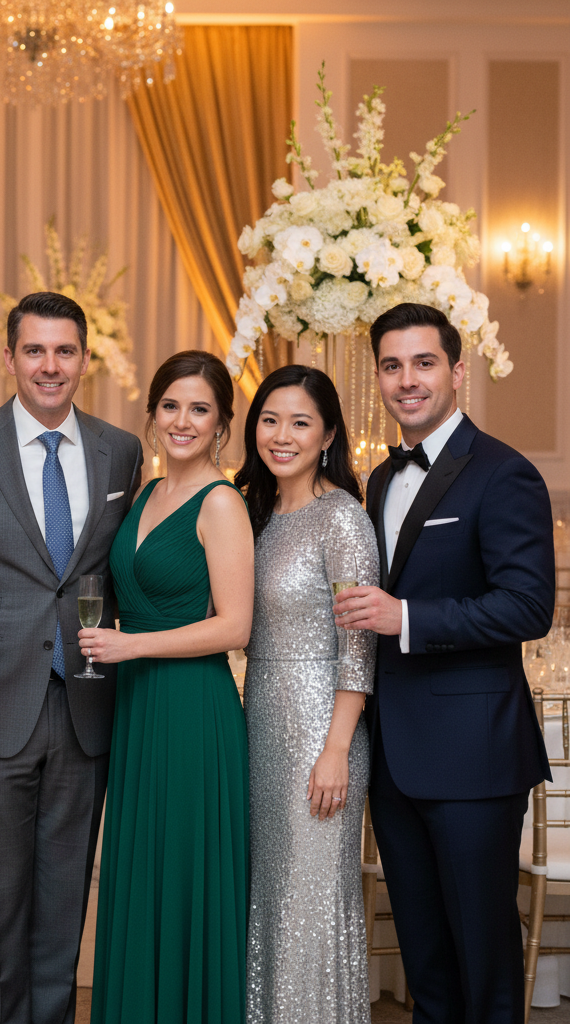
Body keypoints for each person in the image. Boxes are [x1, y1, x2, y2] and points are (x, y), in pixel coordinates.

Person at [0, 291, 143, 1024]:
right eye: (34, 350)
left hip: (86, 703)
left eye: (65, 351)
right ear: (9, 357)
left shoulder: (121, 449)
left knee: (63, 903)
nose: (50, 366)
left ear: (86, 359)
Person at [333, 302, 554, 1023]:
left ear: (458, 371)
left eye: (424, 363)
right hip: (395, 756)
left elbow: (527, 608)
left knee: (482, 961)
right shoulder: (377, 480)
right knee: (427, 962)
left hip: (473, 758)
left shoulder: (504, 473)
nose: (408, 381)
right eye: (392, 366)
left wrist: (407, 618)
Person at [81, 349, 253, 1024]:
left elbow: (235, 625)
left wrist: (131, 644)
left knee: (183, 879)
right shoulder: (148, 492)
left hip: (192, 712)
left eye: (200, 409)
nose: (183, 421)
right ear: (151, 416)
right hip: (140, 709)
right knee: (141, 878)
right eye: (171, 406)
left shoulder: (222, 503)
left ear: (221, 425)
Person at [233, 365, 377, 1024]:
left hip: (323, 724)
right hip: (261, 717)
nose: (281, 435)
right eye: (269, 419)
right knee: (269, 893)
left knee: (311, 900)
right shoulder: (253, 511)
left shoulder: (341, 518)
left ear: (327, 435)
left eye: (299, 423)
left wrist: (337, 750)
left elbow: (359, 644)